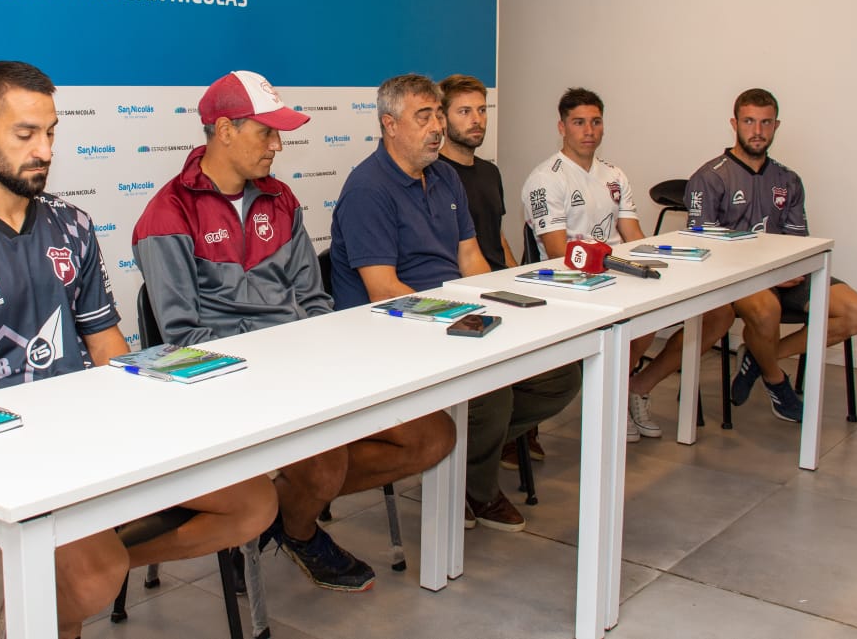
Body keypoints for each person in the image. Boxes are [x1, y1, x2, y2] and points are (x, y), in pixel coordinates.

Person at [0, 61, 275, 638]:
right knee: (93, 577)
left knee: (254, 503)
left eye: (51, 132)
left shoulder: (71, 224)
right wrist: (43, 443)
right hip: (16, 458)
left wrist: (155, 406)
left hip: (96, 436)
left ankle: (76, 571)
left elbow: (106, 345)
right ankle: (64, 587)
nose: (45, 150)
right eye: (25, 134)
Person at [132, 70, 454, 592]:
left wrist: (323, 364)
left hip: (304, 372)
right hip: (234, 385)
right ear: (225, 131)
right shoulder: (167, 214)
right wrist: (277, 374)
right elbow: (184, 340)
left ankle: (279, 516)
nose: (278, 146)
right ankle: (301, 529)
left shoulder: (280, 199)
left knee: (434, 436)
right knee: (324, 460)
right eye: (267, 132)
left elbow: (314, 302)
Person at [329, 73, 578, 533]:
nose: (437, 127)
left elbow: (471, 259)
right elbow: (384, 290)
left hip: (453, 318)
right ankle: (475, 489)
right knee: (492, 397)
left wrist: (501, 308)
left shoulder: (445, 176)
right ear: (390, 125)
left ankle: (460, 464)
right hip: (392, 330)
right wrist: (459, 317)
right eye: (423, 117)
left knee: (559, 374)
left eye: (439, 116)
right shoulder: (368, 188)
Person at [521, 88, 733, 442]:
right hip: (572, 280)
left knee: (718, 312)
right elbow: (559, 252)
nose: (589, 130)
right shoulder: (546, 178)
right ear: (562, 127)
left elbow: (633, 236)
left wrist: (660, 269)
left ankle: (635, 387)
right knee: (637, 316)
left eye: (596, 122)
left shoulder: (614, 174)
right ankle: (614, 400)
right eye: (579, 122)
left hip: (618, 273)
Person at [686, 88, 857, 422]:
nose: (757, 130)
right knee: (767, 310)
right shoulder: (710, 176)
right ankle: (776, 380)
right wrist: (765, 274)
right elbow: (703, 247)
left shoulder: (788, 179)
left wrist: (791, 270)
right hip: (738, 279)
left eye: (766, 122)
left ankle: (759, 359)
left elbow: (797, 241)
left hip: (787, 277)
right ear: (734, 124)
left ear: (776, 126)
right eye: (749, 121)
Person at [437, 74, 542, 468]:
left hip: (498, 286)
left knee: (560, 369)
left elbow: (497, 236)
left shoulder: (489, 172)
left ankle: (504, 436)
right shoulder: (436, 175)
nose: (477, 119)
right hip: (465, 295)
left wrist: (517, 280)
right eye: (464, 111)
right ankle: (487, 454)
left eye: (482, 110)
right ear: (443, 118)